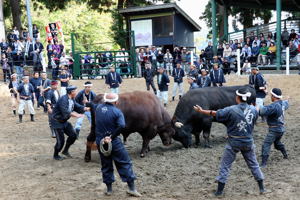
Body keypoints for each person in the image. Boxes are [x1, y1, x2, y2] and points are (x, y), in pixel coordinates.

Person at [193, 88, 265, 196]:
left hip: (234, 142)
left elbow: (215, 113)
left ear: (237, 98)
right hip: (248, 141)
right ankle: (261, 187)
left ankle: (219, 191)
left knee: (225, 166)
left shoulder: (231, 109)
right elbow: (255, 117)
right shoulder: (254, 110)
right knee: (254, 164)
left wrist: (201, 111)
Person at [90, 93, 141, 197]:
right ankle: (132, 188)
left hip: (100, 140)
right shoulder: (117, 112)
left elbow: (92, 106)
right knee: (124, 162)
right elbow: (121, 125)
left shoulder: (98, 108)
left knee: (106, 164)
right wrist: (111, 137)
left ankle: (109, 190)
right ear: (116, 102)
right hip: (112, 141)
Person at [51, 86, 89, 160]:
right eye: (75, 91)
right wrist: (76, 115)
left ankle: (65, 151)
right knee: (60, 141)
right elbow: (65, 111)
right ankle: (55, 155)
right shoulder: (63, 99)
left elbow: (76, 106)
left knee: (73, 135)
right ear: (71, 92)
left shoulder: (71, 99)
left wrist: (86, 108)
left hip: (64, 121)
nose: (76, 92)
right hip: (57, 122)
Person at [258, 88, 289, 168]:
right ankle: (285, 154)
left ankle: (264, 164)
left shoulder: (273, 106)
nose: (271, 97)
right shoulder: (282, 104)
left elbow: (262, 111)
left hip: (274, 130)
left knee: (266, 144)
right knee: (277, 143)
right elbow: (286, 103)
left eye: (271, 95)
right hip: (281, 129)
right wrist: (287, 100)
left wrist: (257, 107)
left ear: (274, 96)